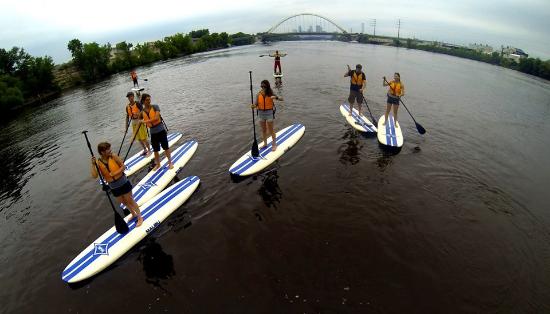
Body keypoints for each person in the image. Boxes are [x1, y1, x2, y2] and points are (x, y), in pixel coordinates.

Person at [91, 142, 143, 227]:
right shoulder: (98, 162)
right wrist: (93, 165)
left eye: (109, 148)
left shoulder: (113, 156)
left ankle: (140, 217)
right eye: (107, 149)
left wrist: (115, 173)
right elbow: (94, 176)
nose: (110, 150)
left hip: (123, 182)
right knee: (123, 202)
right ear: (102, 152)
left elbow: (123, 166)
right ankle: (133, 214)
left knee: (130, 200)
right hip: (113, 186)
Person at [140, 93, 174, 171]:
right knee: (155, 150)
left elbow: (156, 118)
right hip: (153, 133)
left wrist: (144, 121)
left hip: (161, 130)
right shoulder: (142, 112)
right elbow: (139, 120)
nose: (149, 101)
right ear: (143, 101)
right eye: (147, 100)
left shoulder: (155, 107)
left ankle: (170, 163)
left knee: (166, 147)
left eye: (149, 99)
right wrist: (139, 121)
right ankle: (158, 164)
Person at [251, 80, 283, 152]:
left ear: (267, 86)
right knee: (263, 130)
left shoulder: (271, 93)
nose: (263, 88)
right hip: (261, 114)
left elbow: (282, 99)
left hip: (269, 113)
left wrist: (275, 97)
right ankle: (265, 144)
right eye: (261, 86)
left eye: (264, 86)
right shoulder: (258, 94)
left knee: (271, 130)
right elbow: (256, 104)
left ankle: (274, 144)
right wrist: (253, 106)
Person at [125, 91, 150, 156]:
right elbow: (127, 117)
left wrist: (138, 114)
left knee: (143, 138)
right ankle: (145, 149)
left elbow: (143, 112)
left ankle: (149, 150)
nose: (130, 98)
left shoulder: (138, 104)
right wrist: (126, 127)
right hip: (133, 123)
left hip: (140, 121)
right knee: (138, 138)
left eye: (131, 96)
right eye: (128, 97)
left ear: (133, 96)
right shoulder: (127, 106)